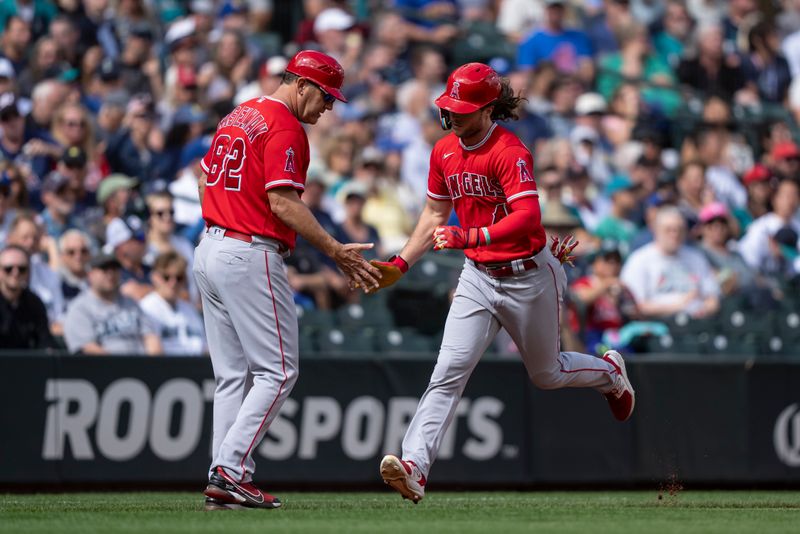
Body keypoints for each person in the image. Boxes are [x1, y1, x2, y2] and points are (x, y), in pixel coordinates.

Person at [370, 63, 635, 504]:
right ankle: (415, 466)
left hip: (529, 275)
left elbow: (528, 217)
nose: (452, 114)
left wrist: (469, 236)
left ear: (487, 108)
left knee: (546, 374)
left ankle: (609, 373)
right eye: (449, 105)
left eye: (462, 107)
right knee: (447, 372)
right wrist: (401, 262)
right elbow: (434, 216)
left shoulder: (508, 150)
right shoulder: (443, 152)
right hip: (478, 276)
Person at [193, 50, 381, 511]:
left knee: (233, 376)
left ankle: (223, 478)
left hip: (210, 246)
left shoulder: (240, 114)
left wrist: (227, 215)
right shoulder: (285, 125)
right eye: (325, 96)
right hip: (248, 251)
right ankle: (231, 469)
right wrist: (335, 250)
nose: (329, 107)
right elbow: (282, 203)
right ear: (301, 85)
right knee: (278, 372)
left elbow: (203, 178)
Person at [621, 206, 720, 319]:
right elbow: (635, 307)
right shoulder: (639, 260)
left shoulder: (696, 257)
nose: (675, 234)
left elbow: (712, 297)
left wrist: (705, 309)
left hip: (698, 322)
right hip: (659, 324)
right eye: (668, 230)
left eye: (679, 229)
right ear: (656, 231)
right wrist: (679, 306)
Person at [62, 253, 161, 355]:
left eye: (114, 269)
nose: (110, 274)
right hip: (103, 368)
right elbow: (87, 348)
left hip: (142, 366)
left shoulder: (131, 304)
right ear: (90, 274)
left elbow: (151, 338)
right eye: (104, 269)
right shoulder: (79, 308)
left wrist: (152, 364)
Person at [140, 251, 205, 355]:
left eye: (179, 278)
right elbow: (153, 353)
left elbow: (205, 349)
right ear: (155, 277)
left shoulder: (190, 310)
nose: (173, 283)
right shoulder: (146, 308)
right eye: (166, 277)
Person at [0, 245, 55, 349]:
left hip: (26, 364)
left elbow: (45, 343)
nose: (15, 273)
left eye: (22, 269)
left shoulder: (34, 303)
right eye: (8, 269)